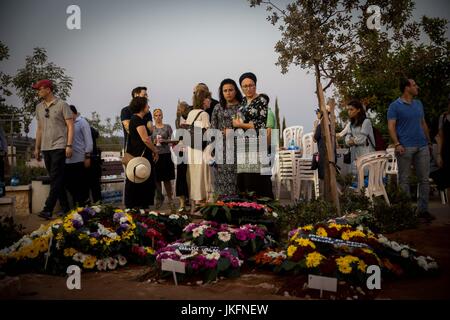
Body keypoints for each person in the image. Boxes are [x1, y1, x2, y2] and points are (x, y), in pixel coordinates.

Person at [387, 78, 434, 222]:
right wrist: (397, 144)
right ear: (407, 88)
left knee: (424, 180)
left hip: (422, 146)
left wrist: (429, 141)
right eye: (414, 85)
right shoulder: (394, 106)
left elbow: (423, 123)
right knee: (404, 180)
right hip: (405, 147)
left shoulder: (418, 104)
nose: (417, 87)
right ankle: (406, 212)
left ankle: (423, 211)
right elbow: (391, 127)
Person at [33, 79, 74, 219]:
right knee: (57, 179)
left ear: (48, 89)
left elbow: (70, 126)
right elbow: (39, 129)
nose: (38, 92)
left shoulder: (62, 105)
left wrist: (69, 145)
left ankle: (48, 209)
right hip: (45, 147)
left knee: (55, 177)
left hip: (59, 145)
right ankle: (66, 208)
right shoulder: (39, 107)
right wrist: (37, 148)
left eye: (40, 89)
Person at [234, 72, 273, 198]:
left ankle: (264, 207)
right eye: (244, 86)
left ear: (255, 85)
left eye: (251, 85)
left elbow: (259, 125)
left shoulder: (261, 100)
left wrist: (241, 125)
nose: (248, 88)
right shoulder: (243, 101)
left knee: (258, 179)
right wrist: (244, 124)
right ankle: (247, 207)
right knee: (245, 178)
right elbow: (238, 120)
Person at [124, 96, 159, 209]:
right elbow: (145, 139)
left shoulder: (135, 119)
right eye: (146, 105)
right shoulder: (137, 120)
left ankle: (138, 205)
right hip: (140, 157)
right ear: (142, 107)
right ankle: (139, 206)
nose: (148, 106)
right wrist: (155, 150)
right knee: (142, 181)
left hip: (139, 155)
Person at [210, 78, 242, 196]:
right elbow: (213, 129)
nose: (228, 93)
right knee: (221, 180)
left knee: (237, 180)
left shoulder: (242, 107)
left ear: (236, 91)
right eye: (225, 90)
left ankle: (239, 206)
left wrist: (232, 132)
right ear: (221, 92)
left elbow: (247, 127)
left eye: (230, 90)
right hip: (221, 149)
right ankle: (223, 208)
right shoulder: (218, 108)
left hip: (239, 148)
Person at [186, 88, 212, 214]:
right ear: (203, 100)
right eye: (208, 98)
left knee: (194, 175)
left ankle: (195, 202)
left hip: (191, 148)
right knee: (203, 174)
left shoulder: (191, 112)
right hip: (201, 149)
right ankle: (202, 203)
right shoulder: (204, 114)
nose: (210, 101)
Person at [65, 105, 93, 207]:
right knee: (69, 185)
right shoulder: (66, 123)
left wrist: (87, 156)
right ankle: (75, 208)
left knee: (81, 186)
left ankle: (84, 207)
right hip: (67, 161)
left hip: (80, 159)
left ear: (74, 113)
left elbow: (88, 141)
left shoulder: (82, 122)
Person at [151, 108, 175, 211]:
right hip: (155, 155)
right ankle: (159, 199)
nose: (158, 117)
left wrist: (165, 140)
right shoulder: (151, 128)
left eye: (160, 115)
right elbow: (148, 141)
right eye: (156, 115)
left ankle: (170, 200)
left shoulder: (167, 127)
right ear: (153, 117)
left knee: (167, 180)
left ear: (162, 116)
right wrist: (154, 142)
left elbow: (173, 140)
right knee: (157, 180)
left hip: (166, 154)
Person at [344, 100, 375, 176]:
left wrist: (352, 141)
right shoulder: (351, 124)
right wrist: (350, 141)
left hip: (367, 153)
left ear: (358, 110)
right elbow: (346, 139)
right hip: (356, 154)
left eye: (351, 109)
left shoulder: (366, 122)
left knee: (367, 177)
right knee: (358, 177)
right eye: (348, 110)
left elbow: (361, 139)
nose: (349, 112)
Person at [174, 101, 191, 212]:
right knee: (181, 174)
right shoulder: (177, 120)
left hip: (192, 148)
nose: (180, 110)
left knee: (190, 175)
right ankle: (182, 201)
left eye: (182, 108)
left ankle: (190, 198)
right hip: (181, 149)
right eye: (179, 109)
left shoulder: (192, 117)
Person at [436, 94, 450, 204]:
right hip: (447, 152)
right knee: (448, 182)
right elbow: (440, 137)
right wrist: (439, 155)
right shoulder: (443, 117)